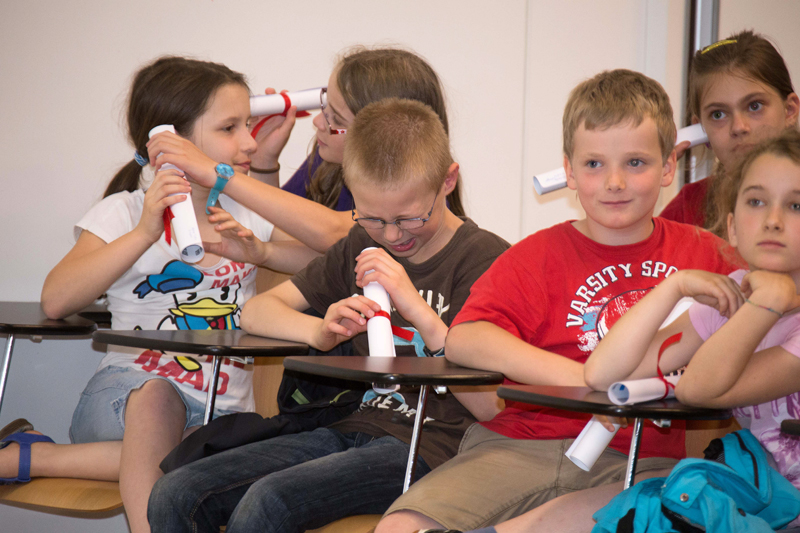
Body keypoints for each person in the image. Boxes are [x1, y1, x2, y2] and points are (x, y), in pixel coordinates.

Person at [374, 69, 739, 533]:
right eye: (593, 165)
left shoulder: (707, 255)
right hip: (514, 446)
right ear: (567, 169)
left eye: (635, 163)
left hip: (635, 457)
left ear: (669, 166)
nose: (613, 182)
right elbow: (465, 339)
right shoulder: (538, 255)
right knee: (397, 528)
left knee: (662, 511)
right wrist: (583, 380)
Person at [146, 97, 510, 533]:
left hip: (434, 445)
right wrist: (320, 330)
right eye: (372, 217)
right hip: (355, 423)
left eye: (410, 218)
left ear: (448, 180)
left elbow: (493, 407)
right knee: (177, 492)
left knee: (268, 503)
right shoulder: (360, 244)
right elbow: (257, 312)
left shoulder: (488, 260)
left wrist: (418, 311)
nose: (393, 235)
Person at [437, 129, 800, 533]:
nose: (772, 220)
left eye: (796, 205)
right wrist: (671, 289)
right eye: (756, 202)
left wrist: (765, 305)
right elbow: (602, 374)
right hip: (745, 491)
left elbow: (701, 388)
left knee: (650, 504)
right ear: (732, 228)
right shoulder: (733, 290)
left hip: (768, 503)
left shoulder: (752, 300)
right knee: (625, 505)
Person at [0, 56, 306, 533]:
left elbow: (324, 266)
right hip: (125, 397)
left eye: (248, 124)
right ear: (172, 141)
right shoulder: (121, 212)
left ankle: (36, 457)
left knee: (233, 452)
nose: (247, 140)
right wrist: (146, 231)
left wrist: (263, 191)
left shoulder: (246, 214)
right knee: (160, 398)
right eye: (230, 127)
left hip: (220, 417)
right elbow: (57, 300)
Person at [149, 46, 465, 259]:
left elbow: (335, 232)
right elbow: (280, 231)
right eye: (324, 109)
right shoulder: (324, 164)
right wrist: (264, 163)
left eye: (336, 120)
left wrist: (217, 174)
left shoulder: (418, 190)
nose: (318, 122)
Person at [659, 30, 799, 230]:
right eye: (718, 115)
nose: (739, 127)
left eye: (754, 106)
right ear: (702, 129)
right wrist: (648, 175)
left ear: (790, 110)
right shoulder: (689, 207)